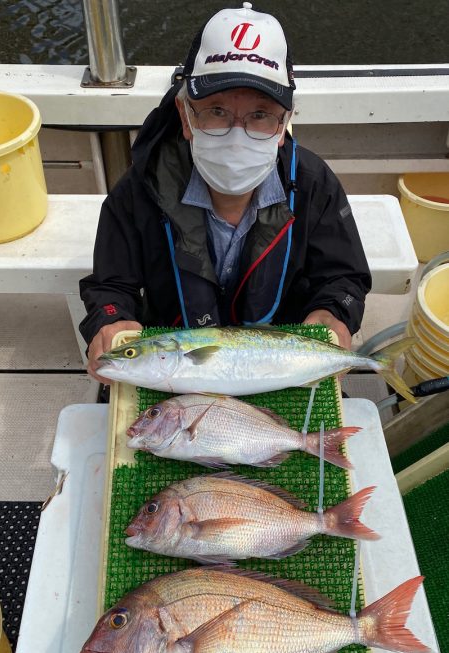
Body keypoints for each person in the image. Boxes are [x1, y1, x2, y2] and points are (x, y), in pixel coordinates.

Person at [80, 2, 371, 384]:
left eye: (260, 114)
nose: (236, 135)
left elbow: (343, 277)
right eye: (215, 111)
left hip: (278, 368)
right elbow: (110, 285)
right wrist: (111, 319)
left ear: (284, 125)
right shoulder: (139, 188)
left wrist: (334, 314)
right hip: (176, 367)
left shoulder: (315, 183)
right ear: (185, 116)